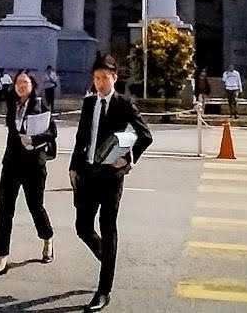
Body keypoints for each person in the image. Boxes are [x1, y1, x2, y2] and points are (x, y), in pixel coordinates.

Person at [69, 53, 153, 312]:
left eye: (104, 78)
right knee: (82, 226)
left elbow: (145, 136)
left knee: (108, 227)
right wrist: (73, 166)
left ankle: (104, 290)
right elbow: (81, 137)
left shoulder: (123, 104)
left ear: (114, 78)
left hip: (110, 177)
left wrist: (126, 160)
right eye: (96, 78)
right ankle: (107, 257)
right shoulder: (89, 103)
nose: (100, 83)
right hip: (87, 173)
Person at [0, 71, 57, 278]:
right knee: (5, 211)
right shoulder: (12, 104)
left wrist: (33, 140)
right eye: (18, 83)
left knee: (36, 207)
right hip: (11, 164)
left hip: (34, 166)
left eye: (25, 82)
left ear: (32, 85)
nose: (21, 86)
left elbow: (52, 133)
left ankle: (47, 238)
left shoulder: (41, 105)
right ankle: (1, 259)